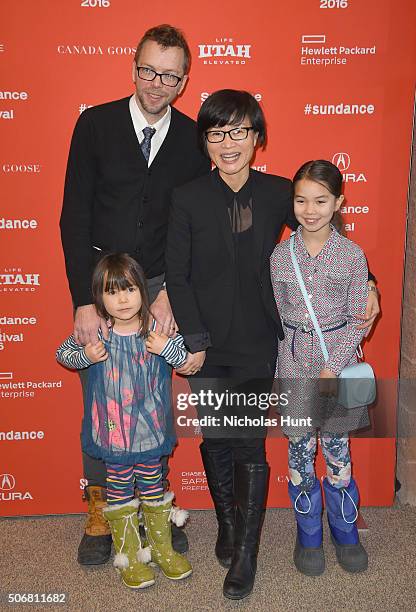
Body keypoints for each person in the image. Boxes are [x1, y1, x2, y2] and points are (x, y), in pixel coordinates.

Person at [166, 90, 379, 599]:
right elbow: (176, 271)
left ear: (257, 138)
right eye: (217, 133)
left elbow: (325, 231)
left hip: (264, 343)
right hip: (207, 345)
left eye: (239, 130)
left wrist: (370, 283)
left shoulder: (278, 192)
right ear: (206, 142)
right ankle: (227, 526)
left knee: (250, 446)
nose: (228, 142)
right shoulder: (188, 197)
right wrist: (192, 338)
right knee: (216, 440)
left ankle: (247, 555)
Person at [60, 24, 211, 564]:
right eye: (149, 70)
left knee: (148, 400)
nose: (157, 83)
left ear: (184, 80)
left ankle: (153, 508)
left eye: (170, 75)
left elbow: (190, 225)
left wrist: (170, 289)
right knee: (102, 401)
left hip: (160, 286)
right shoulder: (95, 124)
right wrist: (83, 298)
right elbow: (73, 215)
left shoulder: (195, 140)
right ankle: (102, 511)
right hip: (102, 285)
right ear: (133, 67)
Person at [57, 253, 192, 589]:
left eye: (129, 289)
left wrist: (165, 348)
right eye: (112, 292)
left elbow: (186, 360)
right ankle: (129, 557)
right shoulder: (98, 334)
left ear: (142, 292)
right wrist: (85, 355)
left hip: (149, 435)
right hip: (114, 439)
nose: (122, 299)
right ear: (98, 298)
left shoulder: (156, 331)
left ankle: (161, 549)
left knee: (154, 491)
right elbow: (63, 354)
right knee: (118, 497)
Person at [270, 159, 371, 577]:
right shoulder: (280, 255)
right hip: (293, 361)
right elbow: (276, 312)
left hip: (339, 362)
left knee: (336, 452)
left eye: (321, 200)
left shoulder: (351, 255)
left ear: (338, 202)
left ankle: (345, 530)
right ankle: (308, 531)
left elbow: (359, 319)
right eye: (301, 200)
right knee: (299, 451)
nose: (310, 210)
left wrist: (332, 365)